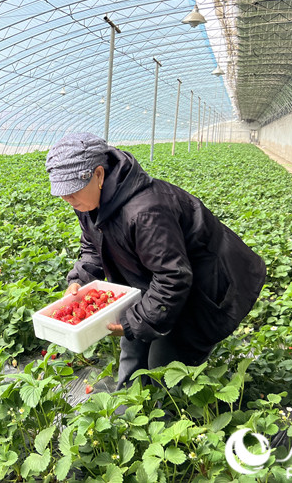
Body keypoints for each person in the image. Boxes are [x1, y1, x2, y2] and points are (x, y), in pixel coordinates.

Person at [45, 132, 266, 389]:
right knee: (132, 346)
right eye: (62, 192)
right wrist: (80, 280)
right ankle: (127, 411)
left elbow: (173, 278)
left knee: (165, 367)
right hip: (155, 281)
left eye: (72, 190)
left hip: (204, 287)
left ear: (99, 175)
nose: (66, 198)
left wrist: (134, 321)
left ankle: (174, 417)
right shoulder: (87, 202)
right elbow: (92, 246)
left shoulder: (146, 211)